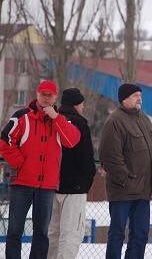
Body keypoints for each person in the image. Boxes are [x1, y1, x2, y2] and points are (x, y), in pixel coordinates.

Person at [0, 80, 80, 259]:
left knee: (42, 233)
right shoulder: (22, 116)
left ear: (55, 97)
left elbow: (72, 140)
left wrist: (56, 118)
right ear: (37, 94)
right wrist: (20, 163)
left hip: (47, 187)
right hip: (22, 184)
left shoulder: (61, 121)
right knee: (14, 231)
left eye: (49, 95)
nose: (46, 98)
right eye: (43, 94)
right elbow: (5, 141)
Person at [99, 83, 152, 259]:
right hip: (122, 191)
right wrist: (126, 180)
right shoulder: (114, 121)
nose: (139, 98)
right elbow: (110, 158)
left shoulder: (144, 119)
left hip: (143, 191)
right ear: (124, 99)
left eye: (140, 95)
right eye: (135, 95)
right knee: (117, 234)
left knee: (140, 235)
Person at [47, 88, 96, 259]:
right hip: (75, 188)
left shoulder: (53, 120)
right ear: (76, 104)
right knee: (71, 232)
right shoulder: (80, 124)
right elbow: (86, 157)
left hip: (52, 185)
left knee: (53, 232)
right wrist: (87, 180)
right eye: (82, 103)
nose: (83, 106)